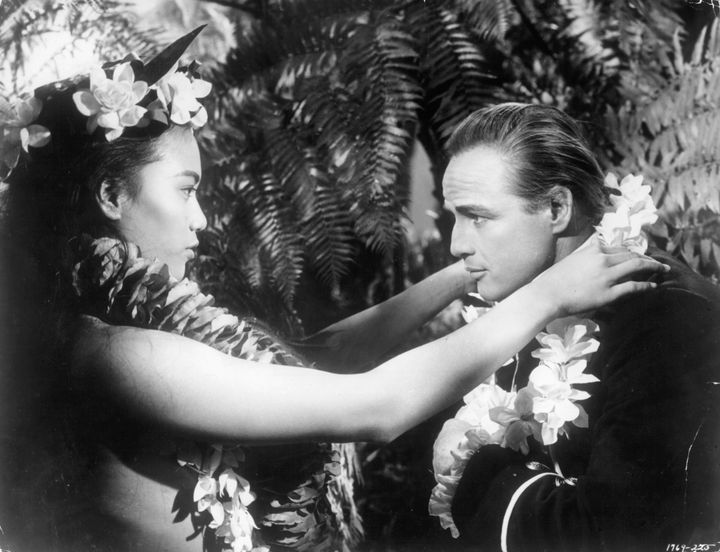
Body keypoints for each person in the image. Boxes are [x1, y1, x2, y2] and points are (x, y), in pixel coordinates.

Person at [0, 29, 666, 552]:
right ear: (112, 194)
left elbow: (304, 359)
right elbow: (371, 406)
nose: (203, 218)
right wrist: (546, 297)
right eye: (186, 190)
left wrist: (471, 268)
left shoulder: (121, 328)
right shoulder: (119, 355)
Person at [436, 103, 720, 552]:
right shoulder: (536, 304)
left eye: (479, 217)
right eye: (455, 216)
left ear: (556, 207)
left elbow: (618, 535)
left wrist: (474, 470)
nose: (456, 243)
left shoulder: (666, 321)